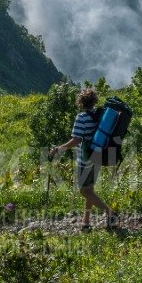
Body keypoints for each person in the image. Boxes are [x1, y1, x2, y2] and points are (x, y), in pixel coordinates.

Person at [48, 87, 115, 230]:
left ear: (81, 102)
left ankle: (110, 213)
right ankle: (86, 222)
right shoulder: (99, 116)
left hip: (85, 159)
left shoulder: (81, 117)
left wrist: (58, 150)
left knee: (84, 191)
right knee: (89, 190)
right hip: (97, 156)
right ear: (94, 101)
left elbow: (77, 139)